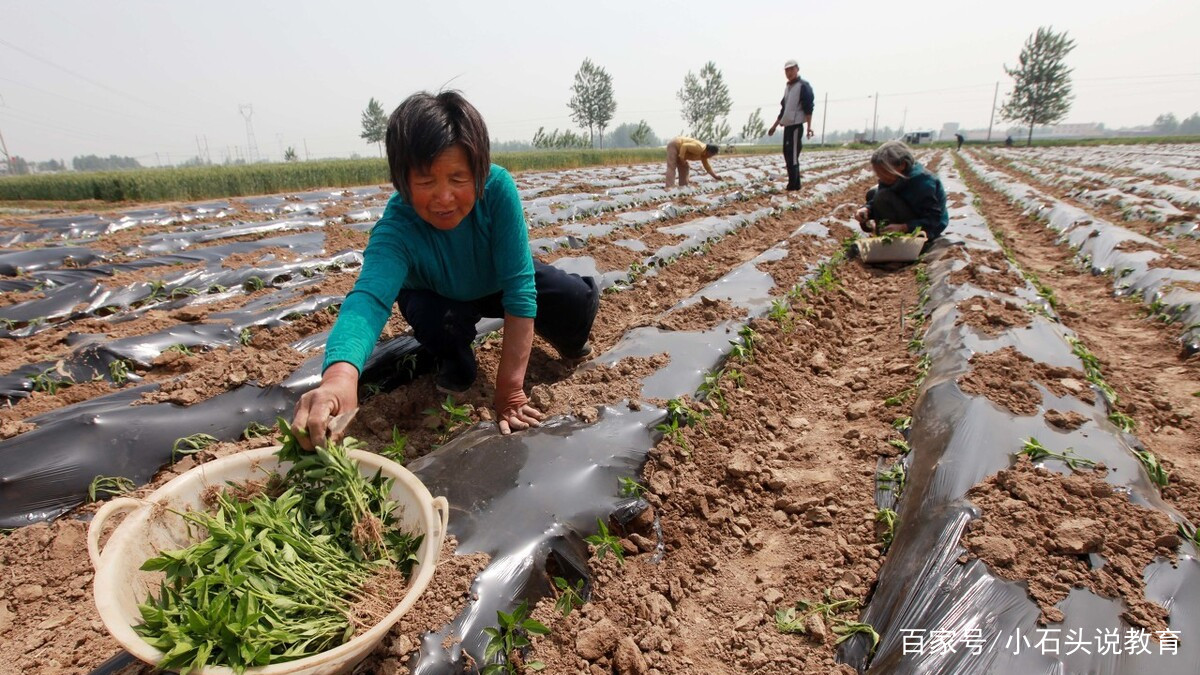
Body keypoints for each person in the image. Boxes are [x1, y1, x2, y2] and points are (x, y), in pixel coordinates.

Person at [293, 91, 600, 446]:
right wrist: (340, 378)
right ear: (403, 182)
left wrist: (510, 392)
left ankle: (574, 323)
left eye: (458, 179)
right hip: (435, 293)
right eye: (426, 182)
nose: (443, 197)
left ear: (480, 173)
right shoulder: (397, 227)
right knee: (441, 327)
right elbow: (369, 300)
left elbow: (519, 291)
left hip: (495, 279)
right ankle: (455, 358)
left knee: (573, 305)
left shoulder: (497, 190)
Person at [853, 140, 948, 240]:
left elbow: (933, 219)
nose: (881, 177)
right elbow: (876, 198)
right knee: (873, 193)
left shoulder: (922, 182)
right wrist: (867, 209)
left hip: (928, 228)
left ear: (902, 165)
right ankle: (885, 235)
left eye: (884, 172)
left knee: (882, 196)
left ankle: (893, 240)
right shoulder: (892, 178)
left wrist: (904, 227)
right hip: (909, 215)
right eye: (878, 173)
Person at [767, 59, 815, 191]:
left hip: (796, 125)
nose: (789, 73)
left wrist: (809, 127)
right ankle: (792, 183)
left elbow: (808, 107)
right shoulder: (788, 88)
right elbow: (784, 109)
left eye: (791, 69)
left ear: (797, 69)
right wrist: (774, 125)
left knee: (793, 156)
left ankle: (795, 185)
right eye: (787, 70)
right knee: (787, 154)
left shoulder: (803, 86)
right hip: (787, 126)